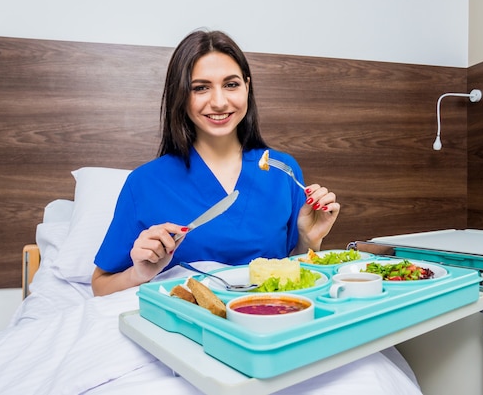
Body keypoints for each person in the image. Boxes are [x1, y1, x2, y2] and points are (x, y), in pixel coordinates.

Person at [91, 29, 340, 296]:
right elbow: (100, 285)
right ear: (181, 96)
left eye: (231, 85)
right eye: (200, 88)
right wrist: (140, 273)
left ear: (247, 86)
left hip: (270, 319)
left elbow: (294, 270)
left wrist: (309, 240)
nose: (219, 102)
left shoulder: (282, 171)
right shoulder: (144, 183)